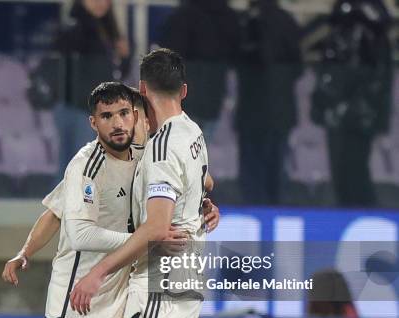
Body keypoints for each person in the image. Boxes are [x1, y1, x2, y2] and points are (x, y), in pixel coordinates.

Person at [2, 84, 219, 318]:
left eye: (123, 114)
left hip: (118, 296)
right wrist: (150, 239)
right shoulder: (85, 167)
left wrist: (200, 204)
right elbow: (73, 229)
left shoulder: (147, 154)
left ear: (135, 116)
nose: (117, 123)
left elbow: (200, 178)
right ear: (94, 123)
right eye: (106, 116)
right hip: (74, 301)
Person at [71, 49, 209, 318]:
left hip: (161, 277)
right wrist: (201, 206)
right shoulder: (191, 130)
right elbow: (204, 180)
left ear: (142, 89)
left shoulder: (161, 147)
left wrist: (98, 272)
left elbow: (157, 228)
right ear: (184, 90)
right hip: (187, 271)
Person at [30, 0, 131, 178]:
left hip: (95, 109)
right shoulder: (75, 28)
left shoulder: (107, 30)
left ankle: (73, 205)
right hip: (77, 107)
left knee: (84, 168)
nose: (101, 3)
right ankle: (65, 206)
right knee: (77, 169)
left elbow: (114, 73)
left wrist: (124, 58)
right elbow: (63, 65)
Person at [310, 0, 393, 207]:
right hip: (347, 115)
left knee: (352, 171)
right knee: (344, 172)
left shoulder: (366, 32)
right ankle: (352, 214)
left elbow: (373, 78)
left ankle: (362, 216)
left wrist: (346, 105)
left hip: (355, 116)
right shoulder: (351, 29)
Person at [234, 0, 302, 205]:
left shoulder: (247, 21)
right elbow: (298, 68)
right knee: (277, 167)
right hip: (280, 109)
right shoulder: (287, 21)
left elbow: (237, 62)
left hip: (252, 109)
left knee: (252, 169)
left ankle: (255, 215)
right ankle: (275, 215)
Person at [158, 0, 240, 143]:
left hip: (182, 93)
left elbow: (168, 49)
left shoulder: (183, 14)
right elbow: (235, 54)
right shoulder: (229, 17)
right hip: (214, 92)